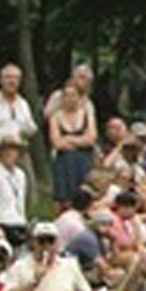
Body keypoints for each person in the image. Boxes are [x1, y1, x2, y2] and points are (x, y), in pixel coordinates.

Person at [45, 63, 100, 209]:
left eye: (88, 80)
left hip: (84, 158)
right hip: (63, 159)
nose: (84, 82)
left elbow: (91, 138)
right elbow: (56, 139)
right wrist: (78, 141)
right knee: (64, 198)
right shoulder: (56, 100)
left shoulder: (88, 106)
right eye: (81, 77)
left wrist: (69, 140)